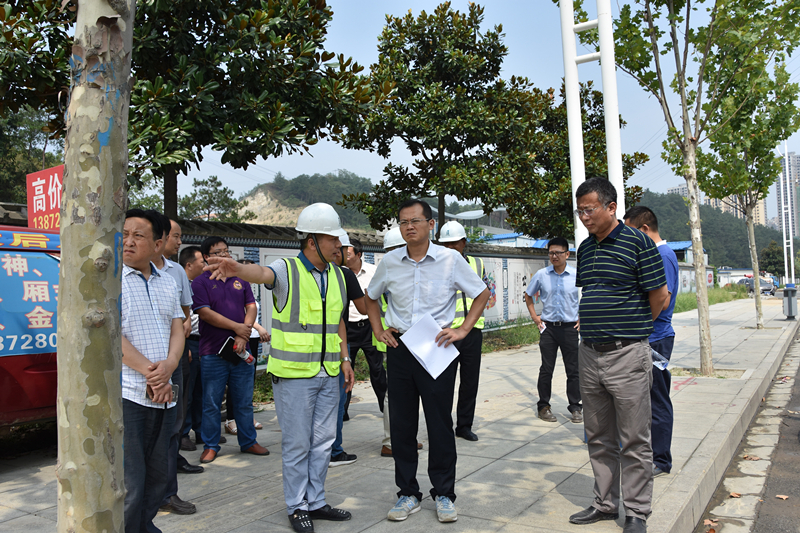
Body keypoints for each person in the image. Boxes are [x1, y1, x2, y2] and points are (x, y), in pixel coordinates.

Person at [204, 203, 355, 533]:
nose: (338, 246)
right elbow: (261, 275)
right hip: (294, 377)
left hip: (329, 374)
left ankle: (316, 501)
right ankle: (296, 505)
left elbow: (338, 323)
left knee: (323, 443)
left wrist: (345, 360)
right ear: (312, 240)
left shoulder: (338, 276)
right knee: (298, 443)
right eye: (332, 239)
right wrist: (237, 268)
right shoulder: (286, 269)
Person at [366, 199, 490, 524]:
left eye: (416, 221)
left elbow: (481, 293)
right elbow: (371, 296)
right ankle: (407, 493)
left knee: (439, 423)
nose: (409, 227)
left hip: (436, 348)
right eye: (404, 222)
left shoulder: (451, 260)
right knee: (402, 424)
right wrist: (378, 329)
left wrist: (464, 328)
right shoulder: (390, 262)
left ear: (430, 224)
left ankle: (444, 494)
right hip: (401, 347)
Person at [569, 177, 668, 533]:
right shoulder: (585, 248)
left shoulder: (638, 243)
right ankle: (605, 503)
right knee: (597, 435)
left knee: (635, 438)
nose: (584, 216)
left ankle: (638, 511)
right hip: (590, 354)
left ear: (611, 207)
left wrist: (631, 329)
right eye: (580, 210)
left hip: (627, 355)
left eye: (590, 209)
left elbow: (660, 297)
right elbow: (592, 292)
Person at [120, 209, 185, 533]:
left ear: (158, 244)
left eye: (138, 235)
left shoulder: (168, 283)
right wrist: (152, 373)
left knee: (159, 476)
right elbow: (110, 337)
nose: (128, 241)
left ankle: (143, 526)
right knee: (131, 481)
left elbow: (177, 328)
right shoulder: (109, 281)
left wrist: (170, 366)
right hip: (128, 394)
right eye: (125, 234)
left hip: (164, 394)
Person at [142, 215, 203, 517]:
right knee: (141, 434)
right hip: (141, 368)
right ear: (159, 239)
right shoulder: (125, 275)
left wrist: (175, 357)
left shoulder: (175, 273)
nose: (179, 242)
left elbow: (184, 317)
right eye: (175, 236)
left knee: (170, 429)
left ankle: (167, 492)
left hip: (172, 361)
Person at [192, 236, 269, 464]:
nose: (225, 255)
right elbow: (204, 313)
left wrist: (241, 333)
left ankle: (248, 441)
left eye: (226, 251)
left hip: (241, 348)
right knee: (212, 401)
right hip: (212, 351)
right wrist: (238, 328)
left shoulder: (240, 278)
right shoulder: (201, 282)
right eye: (219, 252)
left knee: (244, 400)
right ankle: (211, 445)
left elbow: (251, 306)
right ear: (207, 257)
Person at [624, 206, 678, 478]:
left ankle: (661, 459)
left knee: (657, 399)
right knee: (643, 399)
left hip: (655, 338)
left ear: (645, 230)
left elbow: (662, 297)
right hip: (648, 336)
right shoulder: (653, 254)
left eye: (631, 232)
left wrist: (640, 326)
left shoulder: (663, 255)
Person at [523, 236, 582, 424]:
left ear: (567, 254)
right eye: (551, 253)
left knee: (573, 370)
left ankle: (575, 407)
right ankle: (543, 406)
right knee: (546, 369)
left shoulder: (576, 275)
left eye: (558, 253)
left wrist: (583, 318)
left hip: (570, 328)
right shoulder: (542, 275)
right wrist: (535, 317)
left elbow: (588, 295)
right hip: (548, 329)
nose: (554, 256)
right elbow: (528, 295)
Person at [437, 221, 487, 441]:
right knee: (444, 382)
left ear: (463, 243)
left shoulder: (478, 263)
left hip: (472, 331)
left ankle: (464, 425)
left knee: (470, 381)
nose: (450, 248)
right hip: (448, 332)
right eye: (445, 244)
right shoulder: (435, 266)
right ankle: (443, 425)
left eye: (454, 243)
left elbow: (486, 292)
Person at [327, 234, 367, 467]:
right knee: (336, 400)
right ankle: (334, 450)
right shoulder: (344, 275)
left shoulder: (302, 272)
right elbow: (363, 306)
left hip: (308, 348)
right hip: (337, 345)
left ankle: (322, 450)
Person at [178, 246, 222, 451]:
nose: (205, 265)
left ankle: (202, 431)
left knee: (201, 391)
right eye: (201, 262)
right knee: (187, 390)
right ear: (189, 265)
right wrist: (183, 346)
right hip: (188, 341)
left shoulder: (203, 284)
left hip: (204, 341)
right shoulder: (179, 284)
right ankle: (183, 433)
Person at [343, 237, 388, 420]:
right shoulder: (340, 274)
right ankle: (342, 411)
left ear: (359, 254)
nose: (344, 257)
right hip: (348, 328)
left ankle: (385, 409)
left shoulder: (373, 271)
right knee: (346, 370)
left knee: (378, 370)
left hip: (370, 327)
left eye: (348, 254)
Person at [224, 259, 270, 437]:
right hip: (238, 340)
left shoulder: (250, 290)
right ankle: (231, 419)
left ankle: (247, 418)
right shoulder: (232, 290)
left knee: (247, 382)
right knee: (233, 382)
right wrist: (258, 328)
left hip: (251, 340)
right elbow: (240, 316)